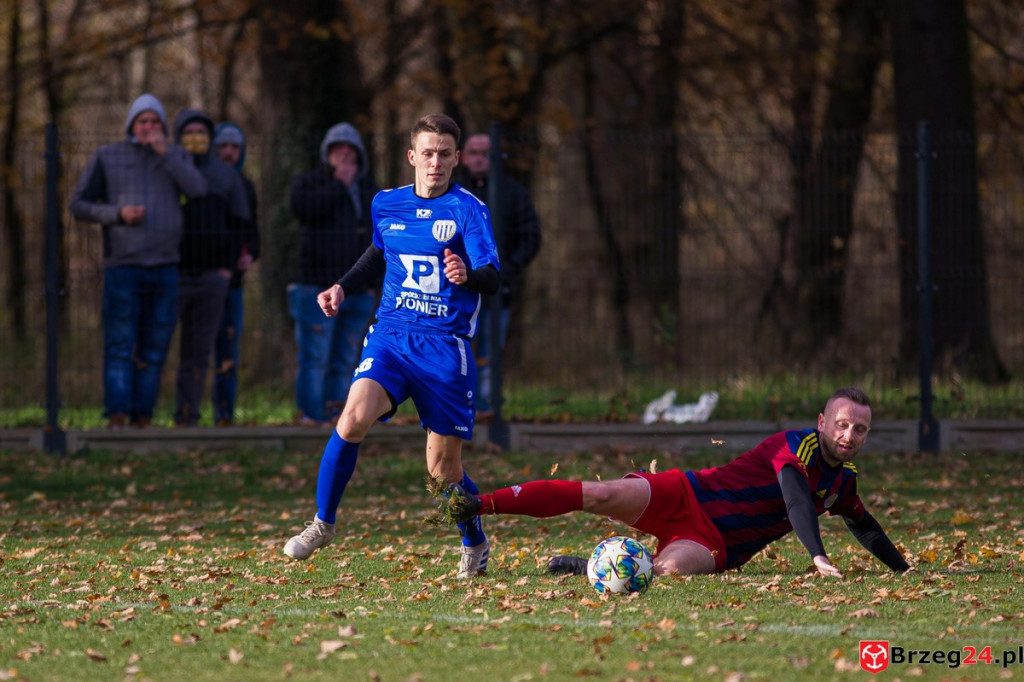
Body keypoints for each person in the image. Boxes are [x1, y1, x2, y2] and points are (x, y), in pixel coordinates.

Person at [283, 113, 501, 579]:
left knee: (442, 472)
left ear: (457, 158)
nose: (435, 162)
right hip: (392, 336)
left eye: (445, 154)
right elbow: (378, 253)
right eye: (427, 153)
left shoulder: (469, 210)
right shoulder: (387, 203)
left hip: (445, 347)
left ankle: (475, 542)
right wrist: (342, 287)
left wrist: (469, 275)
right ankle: (323, 522)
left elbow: (494, 276)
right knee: (352, 417)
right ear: (411, 157)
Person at [441, 387, 910, 578]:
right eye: (843, 424)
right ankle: (480, 503)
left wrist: (904, 572)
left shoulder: (843, 483)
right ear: (823, 421)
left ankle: (591, 565)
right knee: (599, 493)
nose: (850, 436)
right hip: (688, 491)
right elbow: (795, 502)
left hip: (716, 542)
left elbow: (865, 525)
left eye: (861, 429)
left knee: (666, 572)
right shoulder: (796, 445)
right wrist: (817, 555)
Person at [70, 93, 207, 428]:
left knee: (155, 345)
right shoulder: (108, 156)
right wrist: (116, 214)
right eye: (142, 121)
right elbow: (79, 205)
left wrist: (166, 155)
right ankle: (116, 414)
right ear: (131, 124)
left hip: (165, 267)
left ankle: (142, 416)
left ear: (163, 127)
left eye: (154, 122)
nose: (148, 128)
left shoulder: (175, 155)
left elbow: (198, 189)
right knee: (120, 343)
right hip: (123, 266)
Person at [288, 122, 380, 425]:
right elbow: (303, 210)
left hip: (358, 291)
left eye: (349, 150)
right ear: (326, 153)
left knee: (345, 359)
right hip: (316, 285)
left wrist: (370, 285)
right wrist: (338, 185)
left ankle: (336, 418)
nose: (343, 156)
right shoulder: (311, 182)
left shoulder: (369, 189)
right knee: (315, 358)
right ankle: (310, 418)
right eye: (337, 149)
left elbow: (380, 239)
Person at [171, 110, 252, 426]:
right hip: (170, 273)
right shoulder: (169, 167)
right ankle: (139, 417)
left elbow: (242, 224)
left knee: (199, 351)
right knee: (156, 346)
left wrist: (226, 268)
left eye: (200, 132)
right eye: (188, 131)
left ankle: (189, 414)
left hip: (213, 277)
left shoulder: (226, 175)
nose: (195, 137)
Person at [456, 134, 541, 415]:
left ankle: (488, 407)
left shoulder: (512, 193)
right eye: (474, 151)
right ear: (463, 156)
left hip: (497, 291)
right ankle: (459, 404)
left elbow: (531, 238)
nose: (480, 157)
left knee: (490, 352)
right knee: (458, 348)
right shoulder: (453, 194)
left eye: (486, 152)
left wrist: (507, 271)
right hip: (459, 289)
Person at [212, 122, 260, 426]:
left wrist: (249, 254)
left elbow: (253, 233)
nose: (229, 153)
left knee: (229, 353)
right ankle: (185, 415)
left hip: (234, 283)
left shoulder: (246, 185)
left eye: (234, 147)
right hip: (200, 279)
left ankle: (224, 415)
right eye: (223, 147)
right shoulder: (201, 181)